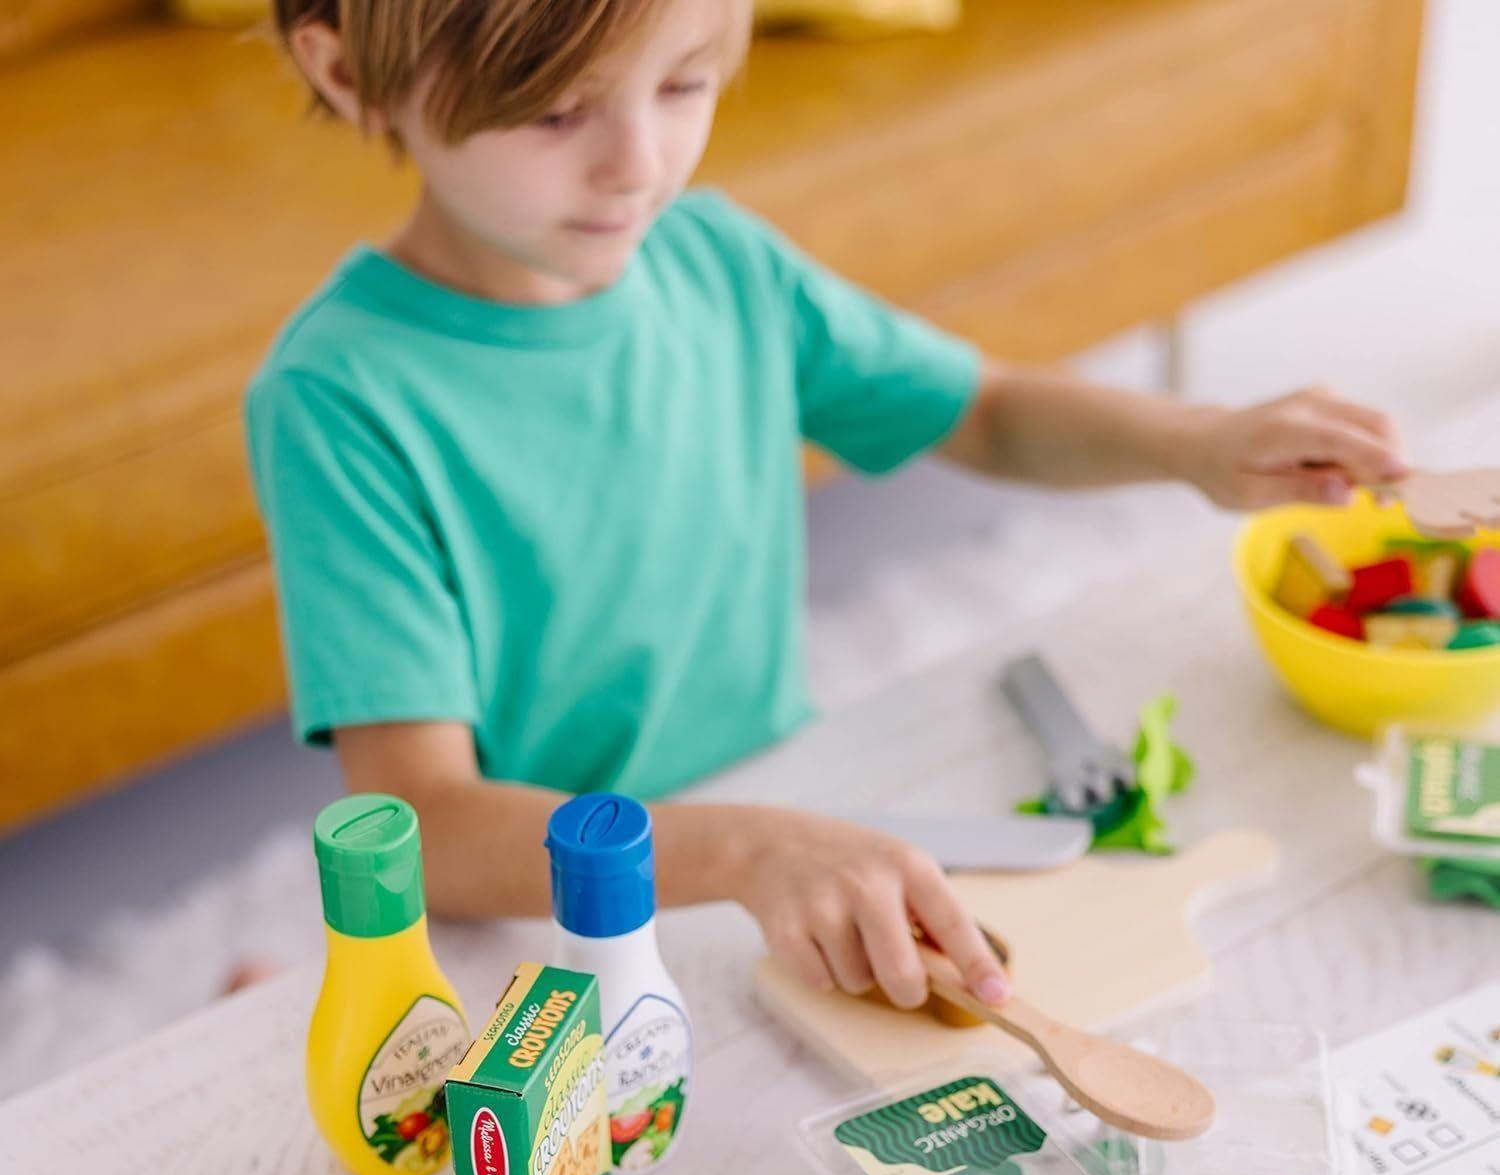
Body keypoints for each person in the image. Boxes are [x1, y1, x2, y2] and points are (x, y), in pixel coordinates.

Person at [249, 0, 1408, 1014]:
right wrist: (752, 847)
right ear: (350, 72)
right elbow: (431, 828)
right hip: (550, 926)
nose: (637, 165)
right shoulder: (337, 397)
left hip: (776, 831)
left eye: (684, 84)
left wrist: (1200, 443)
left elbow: (985, 409)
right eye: (557, 112)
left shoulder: (713, 259)